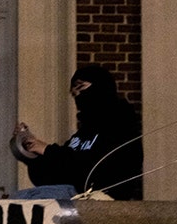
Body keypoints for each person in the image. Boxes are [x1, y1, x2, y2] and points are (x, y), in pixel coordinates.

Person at [12, 64, 143, 200]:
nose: (78, 96)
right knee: (21, 198)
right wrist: (31, 153)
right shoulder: (83, 134)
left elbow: (92, 167)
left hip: (101, 201)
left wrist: (47, 150)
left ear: (101, 86)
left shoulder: (121, 126)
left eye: (81, 87)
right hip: (74, 199)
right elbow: (56, 174)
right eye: (74, 93)